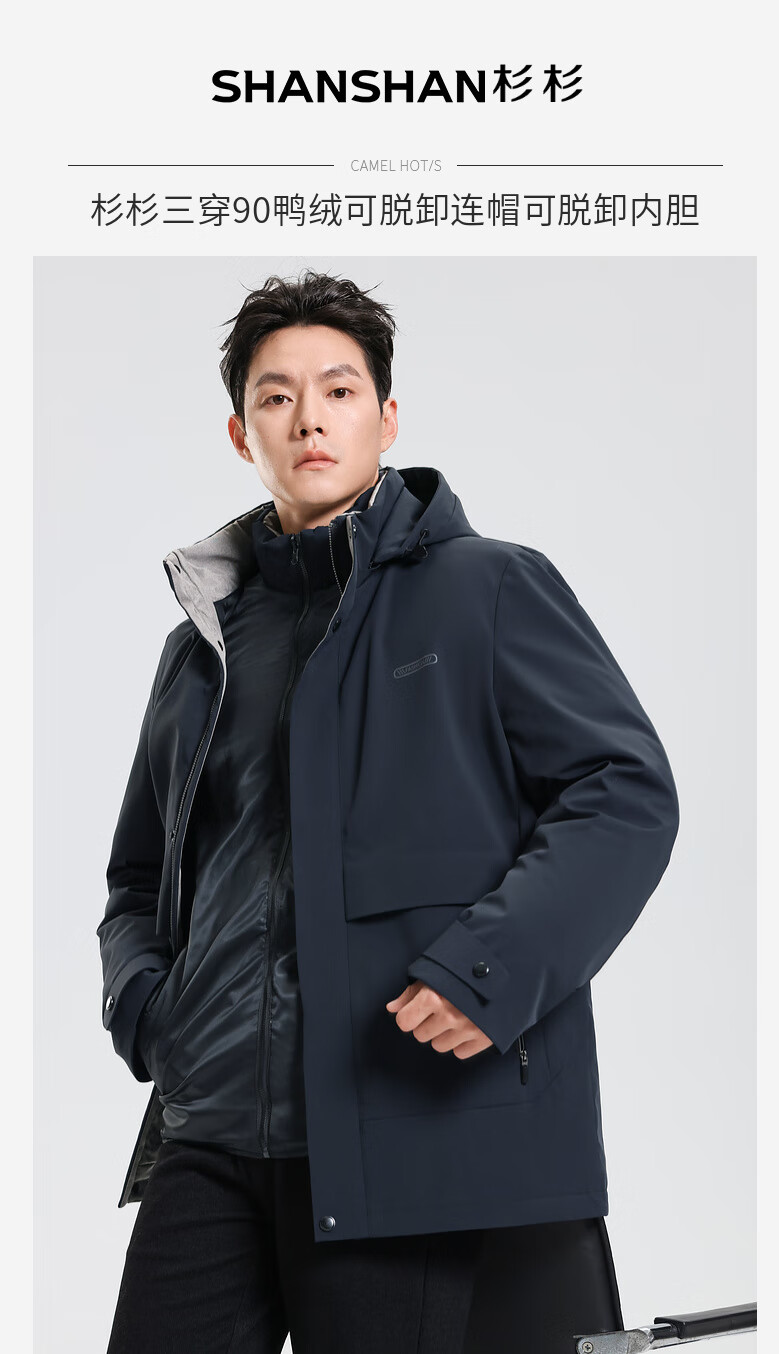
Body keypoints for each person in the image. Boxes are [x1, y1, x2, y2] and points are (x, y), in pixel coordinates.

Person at [97, 269, 680, 1353]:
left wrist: (488, 970)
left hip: (393, 1121)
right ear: (241, 434)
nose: (309, 418)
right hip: (207, 1126)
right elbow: (139, 875)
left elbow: (623, 790)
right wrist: (146, 1009)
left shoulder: (487, 588)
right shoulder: (200, 647)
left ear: (387, 417)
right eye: (276, 397)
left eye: (339, 390)